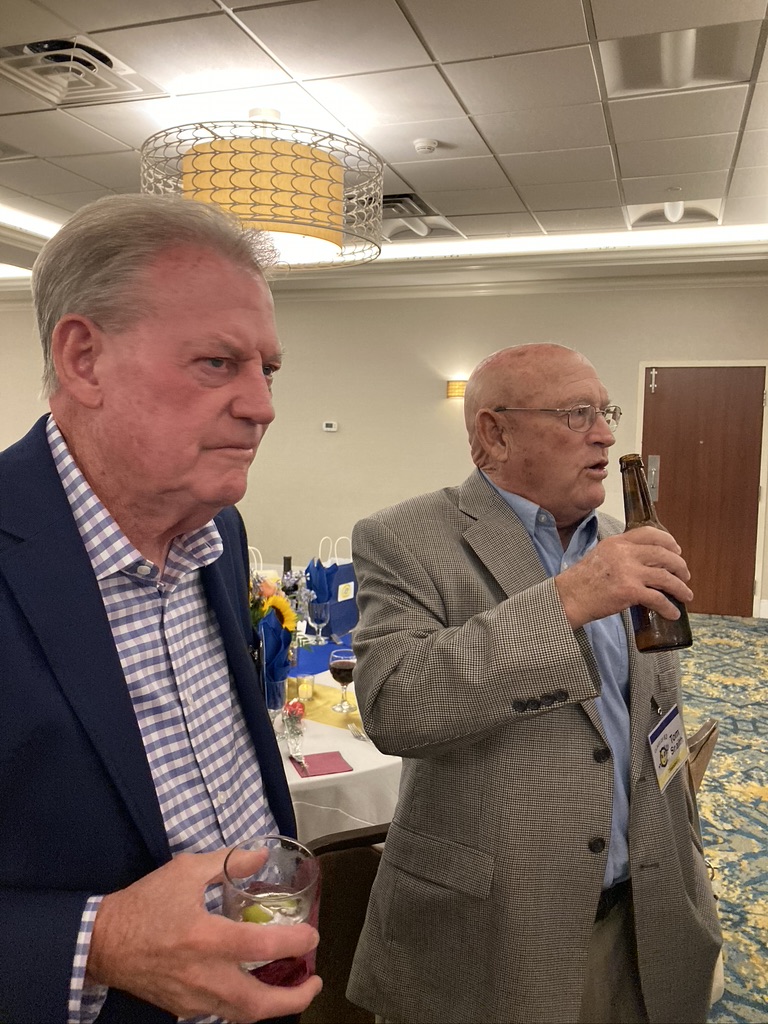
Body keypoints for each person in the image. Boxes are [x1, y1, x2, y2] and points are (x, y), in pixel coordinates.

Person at [0, 194, 322, 1024]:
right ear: (84, 359)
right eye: (218, 363)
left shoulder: (221, 534)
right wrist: (98, 942)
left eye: (267, 369)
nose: (262, 406)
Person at [346, 344, 721, 1024]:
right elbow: (396, 705)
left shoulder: (622, 539)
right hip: (493, 939)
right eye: (577, 414)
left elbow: (653, 714)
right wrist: (568, 598)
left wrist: (686, 861)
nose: (605, 434)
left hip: (647, 916)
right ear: (495, 433)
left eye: (604, 412)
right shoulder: (404, 538)